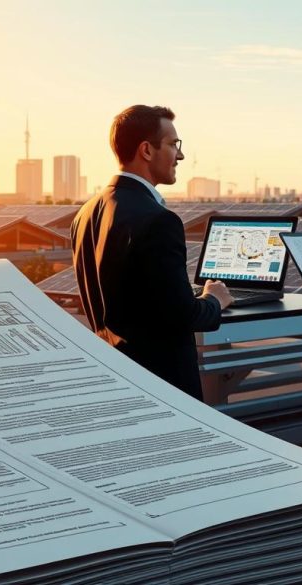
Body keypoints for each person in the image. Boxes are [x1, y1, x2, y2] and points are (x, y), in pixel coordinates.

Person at [70, 105, 232, 401]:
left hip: (117, 381)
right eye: (173, 145)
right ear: (146, 150)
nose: (180, 156)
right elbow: (184, 315)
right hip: (164, 390)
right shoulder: (158, 220)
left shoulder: (85, 214)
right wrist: (214, 299)